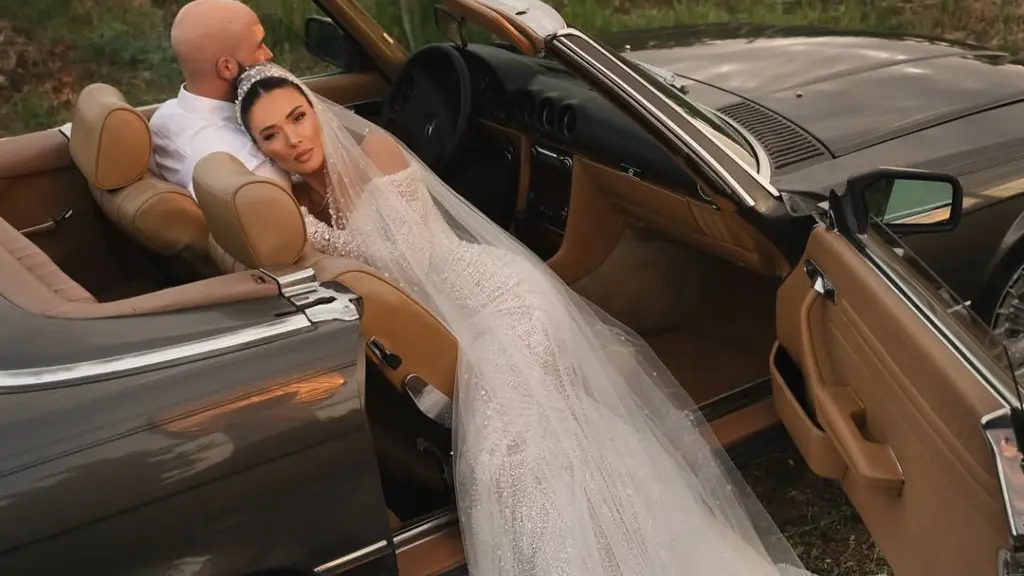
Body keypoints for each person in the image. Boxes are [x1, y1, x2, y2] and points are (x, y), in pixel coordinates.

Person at [232, 62, 818, 576]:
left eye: (298, 117)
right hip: (456, 322)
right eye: (271, 135)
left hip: (502, 300)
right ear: (260, 148)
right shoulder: (295, 202)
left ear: (317, 110)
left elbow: (411, 260)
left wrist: (315, 232)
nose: (294, 139)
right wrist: (289, 206)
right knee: (536, 445)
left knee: (509, 450)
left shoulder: (376, 154)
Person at [150, 0, 289, 200]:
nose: (268, 54)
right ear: (227, 68)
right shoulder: (253, 170)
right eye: (258, 46)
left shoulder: (163, 117)